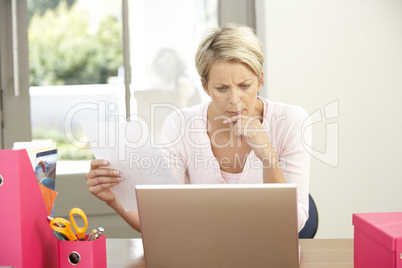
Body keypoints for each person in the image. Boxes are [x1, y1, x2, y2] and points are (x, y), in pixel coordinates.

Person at [85, 23, 312, 233]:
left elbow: (292, 225)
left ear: (260, 81)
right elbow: (160, 221)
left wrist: (267, 154)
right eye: (222, 88)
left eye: (245, 86)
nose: (235, 99)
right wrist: (113, 199)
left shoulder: (291, 121)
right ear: (205, 87)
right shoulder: (181, 125)